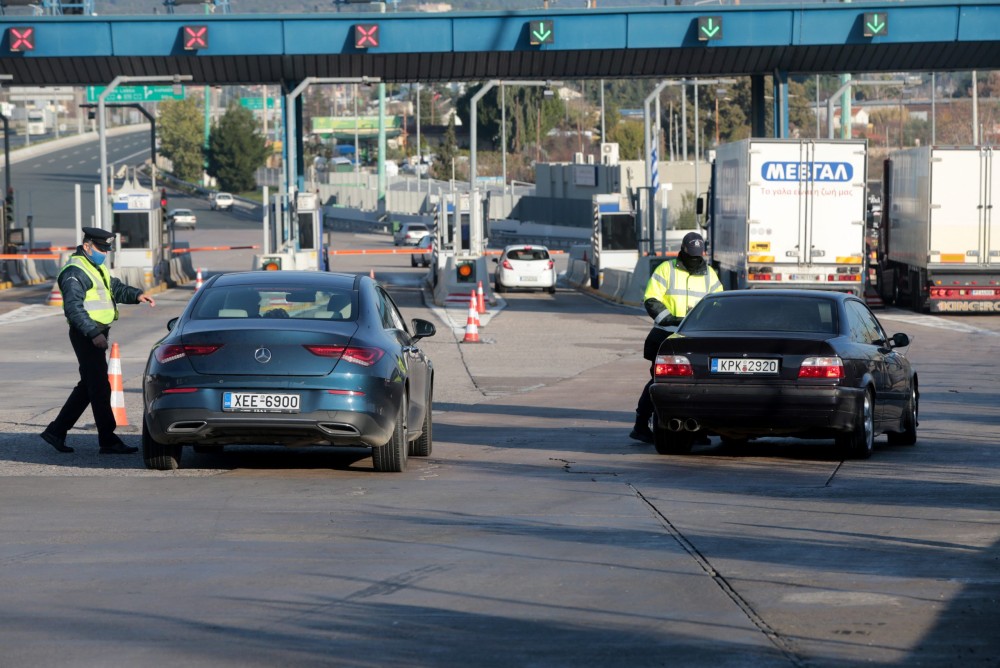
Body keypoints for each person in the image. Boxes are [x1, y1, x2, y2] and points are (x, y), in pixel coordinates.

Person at [40, 227, 156, 454]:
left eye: (106, 249)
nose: (104, 252)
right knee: (100, 388)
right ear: (87, 246)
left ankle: (56, 431)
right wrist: (93, 334)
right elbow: (73, 308)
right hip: (87, 335)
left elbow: (113, 288)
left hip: (97, 333)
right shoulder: (75, 271)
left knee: (89, 386)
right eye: (100, 248)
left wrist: (136, 295)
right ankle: (108, 440)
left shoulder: (94, 266)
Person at [629, 231, 723, 444]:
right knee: (659, 381)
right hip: (667, 336)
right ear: (683, 250)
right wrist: (670, 319)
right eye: (691, 255)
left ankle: (695, 430)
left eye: (698, 256)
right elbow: (651, 298)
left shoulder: (710, 275)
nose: (694, 259)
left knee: (697, 385)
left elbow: (718, 304)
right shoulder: (666, 270)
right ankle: (641, 424)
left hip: (696, 339)